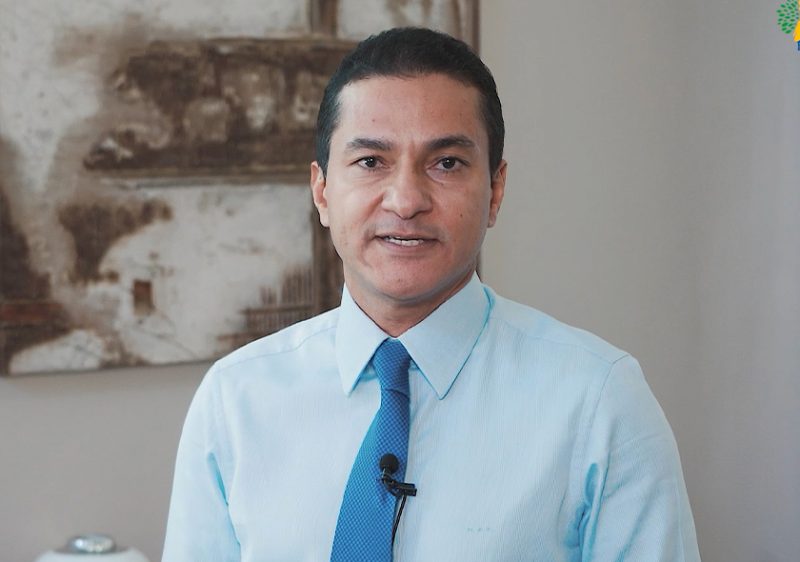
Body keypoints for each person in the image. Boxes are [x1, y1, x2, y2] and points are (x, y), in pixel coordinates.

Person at [163, 27, 701, 561]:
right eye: (370, 162)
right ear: (322, 190)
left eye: (446, 163)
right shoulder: (234, 401)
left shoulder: (599, 401)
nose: (405, 200)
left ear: (495, 191)